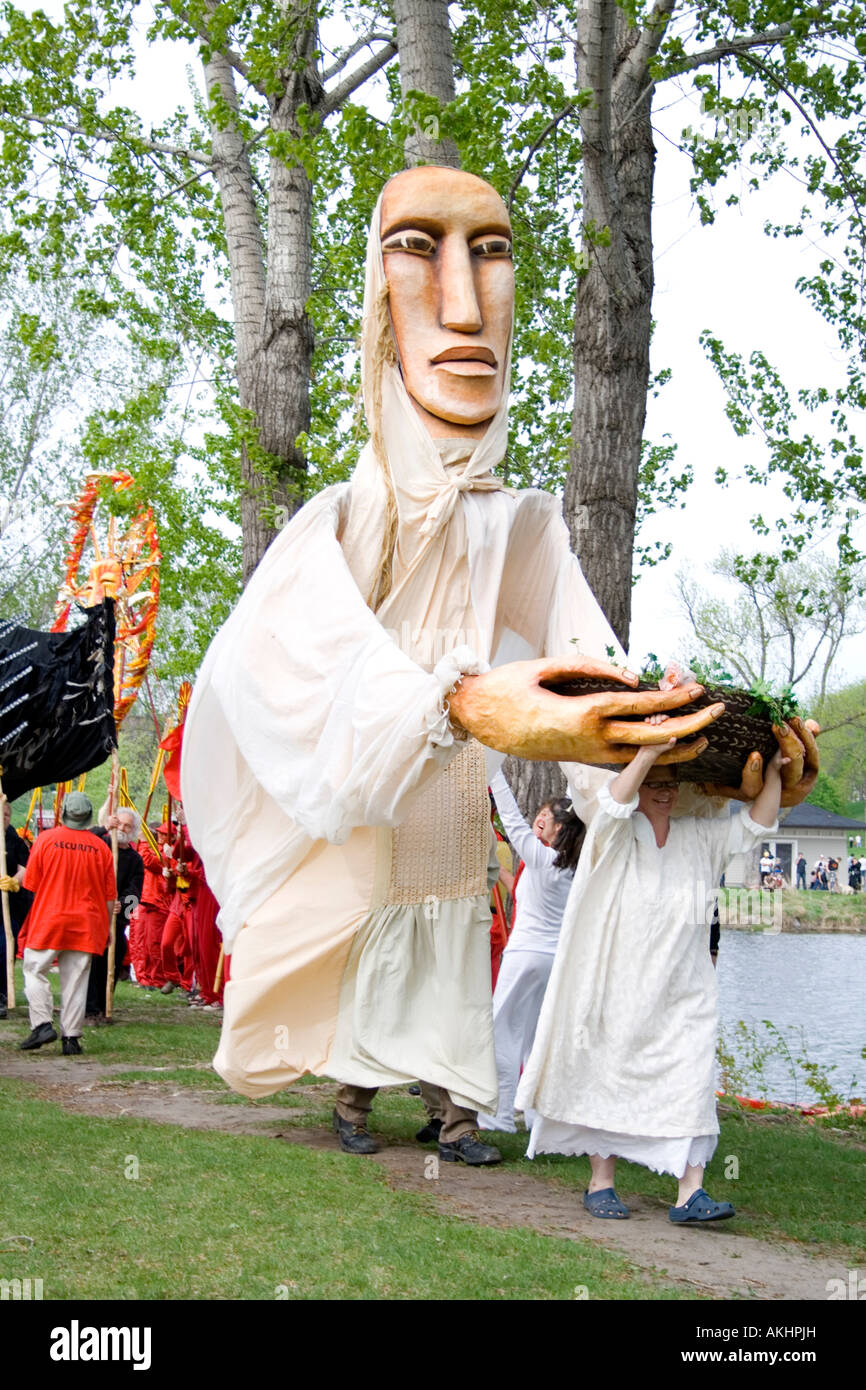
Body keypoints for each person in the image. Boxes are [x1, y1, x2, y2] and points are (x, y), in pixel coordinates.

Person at [181, 166, 814, 1162]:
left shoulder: (514, 524)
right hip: (378, 794)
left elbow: (591, 659)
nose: (462, 301)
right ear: (377, 307)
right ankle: (352, 1101)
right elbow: (277, 665)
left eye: (491, 253)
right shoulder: (341, 520)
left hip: (454, 803)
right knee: (380, 945)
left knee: (444, 957)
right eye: (418, 249)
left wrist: (709, 738)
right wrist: (452, 700)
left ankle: (455, 1112)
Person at [515, 716, 788, 1224]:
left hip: (684, 991)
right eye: (655, 785)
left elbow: (755, 825)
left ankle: (690, 1195)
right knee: (608, 1076)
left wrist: (773, 771)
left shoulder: (698, 839)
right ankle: (601, 1182)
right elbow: (617, 800)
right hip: (618, 987)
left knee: (691, 1078)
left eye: (671, 785)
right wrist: (648, 754)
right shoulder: (614, 832)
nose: (663, 794)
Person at [478, 769, 583, 1132]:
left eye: (547, 817)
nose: (539, 819)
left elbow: (509, 816)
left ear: (560, 830)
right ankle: (538, 1119)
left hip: (525, 956)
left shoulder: (542, 858)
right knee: (535, 1042)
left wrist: (493, 771)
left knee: (502, 1030)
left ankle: (499, 1115)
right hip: (554, 962)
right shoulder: (576, 866)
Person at [18, 791, 116, 1055]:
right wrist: (107, 927)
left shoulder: (46, 839)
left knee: (34, 969)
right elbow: (110, 895)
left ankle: (42, 1024)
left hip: (50, 918)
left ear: (63, 813)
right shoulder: (101, 847)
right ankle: (71, 1037)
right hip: (87, 921)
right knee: (76, 980)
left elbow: (32, 883)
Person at [84, 806, 144, 1023]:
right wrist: (105, 827)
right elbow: (84, 838)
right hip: (93, 915)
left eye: (128, 826)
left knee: (114, 957)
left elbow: (135, 892)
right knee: (90, 962)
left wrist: (122, 906)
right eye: (120, 824)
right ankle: (89, 1009)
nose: (123, 829)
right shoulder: (99, 846)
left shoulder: (136, 860)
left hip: (115, 922)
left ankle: (103, 1006)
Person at [1, 800, 33, 1017]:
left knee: (3, 948)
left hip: (8, 905)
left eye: (5, 815)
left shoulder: (15, 841)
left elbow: (25, 868)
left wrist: (14, 881)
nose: (3, 819)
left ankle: (2, 993)